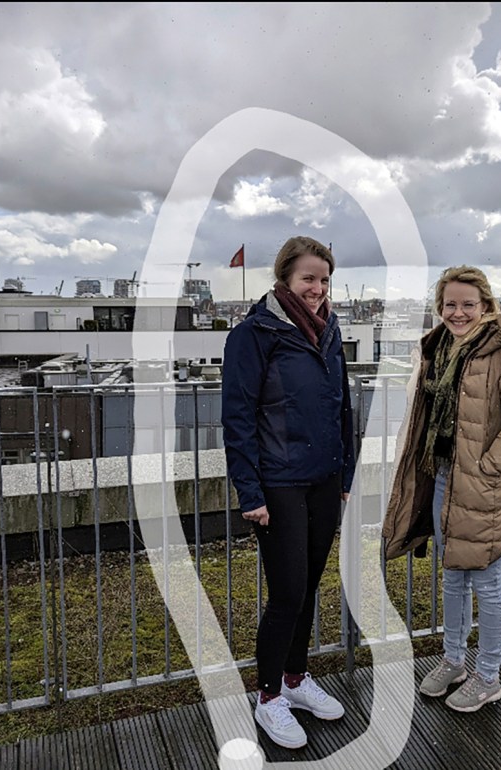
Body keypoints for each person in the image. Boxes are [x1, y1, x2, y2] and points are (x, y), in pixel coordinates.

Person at [381, 265, 501, 713]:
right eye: (450, 304)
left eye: (468, 305)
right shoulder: (438, 346)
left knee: (488, 583)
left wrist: (491, 465)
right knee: (453, 575)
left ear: (486, 306)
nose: (458, 312)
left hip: (485, 485)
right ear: (440, 307)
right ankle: (454, 659)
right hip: (442, 480)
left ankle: (488, 676)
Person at [221, 235, 355, 749]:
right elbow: (237, 419)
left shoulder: (329, 330)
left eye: (324, 279)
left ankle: (296, 681)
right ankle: (269, 696)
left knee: (308, 587)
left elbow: (340, 405)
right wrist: (249, 491)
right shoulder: (255, 333)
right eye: (308, 279)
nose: (318, 288)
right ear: (285, 279)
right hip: (277, 484)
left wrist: (343, 475)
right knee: (287, 594)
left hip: (323, 480)